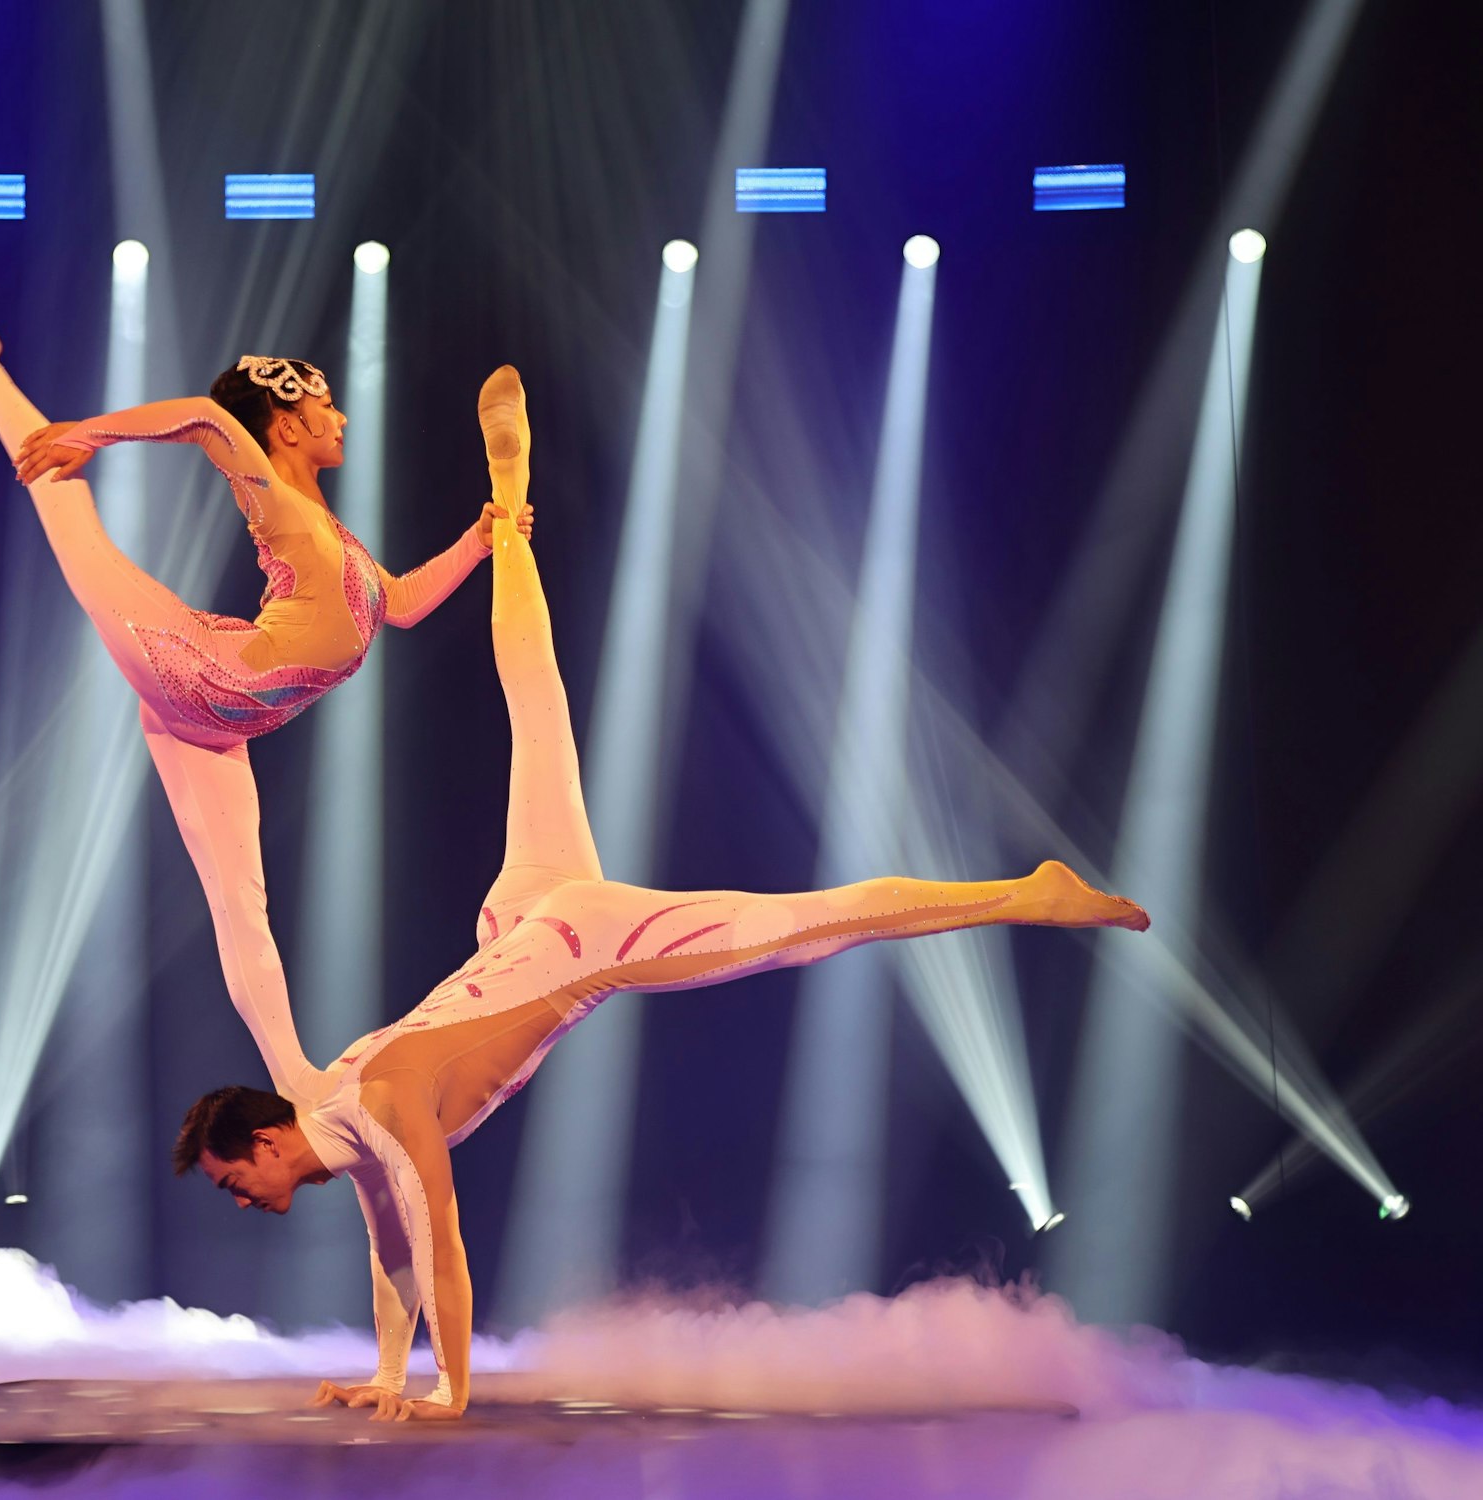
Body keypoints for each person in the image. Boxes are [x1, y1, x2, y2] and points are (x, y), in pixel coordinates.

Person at [170, 368, 1150, 1422]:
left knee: (804, 926)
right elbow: (392, 1244)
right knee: (532, 700)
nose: (244, 1201)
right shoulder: (340, 1110)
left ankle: (1021, 893)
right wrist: (381, 1374)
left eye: (235, 1182)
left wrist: (446, 1393)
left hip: (585, 941)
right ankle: (506, 508)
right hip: (521, 915)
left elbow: (437, 1239)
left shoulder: (376, 1103)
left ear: (266, 1145)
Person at [0, 277, 531, 1108]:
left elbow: (408, 604)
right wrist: (88, 436)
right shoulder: (272, 496)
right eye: (328, 406)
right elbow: (209, 420)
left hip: (211, 727)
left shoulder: (340, 543)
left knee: (243, 903)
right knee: (65, 502)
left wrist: (481, 538)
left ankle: (296, 1082)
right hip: (186, 665)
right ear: (287, 423)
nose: (343, 417)